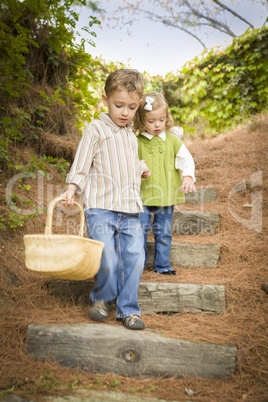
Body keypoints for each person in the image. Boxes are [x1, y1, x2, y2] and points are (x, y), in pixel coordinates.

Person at [61, 69, 151, 330]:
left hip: (130, 208)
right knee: (107, 257)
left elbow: (128, 163)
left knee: (134, 257)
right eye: (119, 105)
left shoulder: (130, 135)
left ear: (138, 106)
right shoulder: (96, 129)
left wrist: (141, 167)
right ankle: (101, 299)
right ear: (105, 100)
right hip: (101, 207)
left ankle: (129, 310)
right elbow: (82, 162)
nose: (125, 112)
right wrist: (72, 187)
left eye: (132, 107)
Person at [133, 91, 196, 275]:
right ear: (141, 120)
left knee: (163, 233)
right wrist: (139, 169)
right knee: (139, 232)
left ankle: (162, 265)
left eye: (161, 120)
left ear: (166, 117)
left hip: (166, 197)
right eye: (151, 121)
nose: (157, 125)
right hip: (142, 197)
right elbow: (129, 163)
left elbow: (186, 160)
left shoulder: (173, 141)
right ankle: (138, 264)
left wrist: (187, 177)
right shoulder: (136, 142)